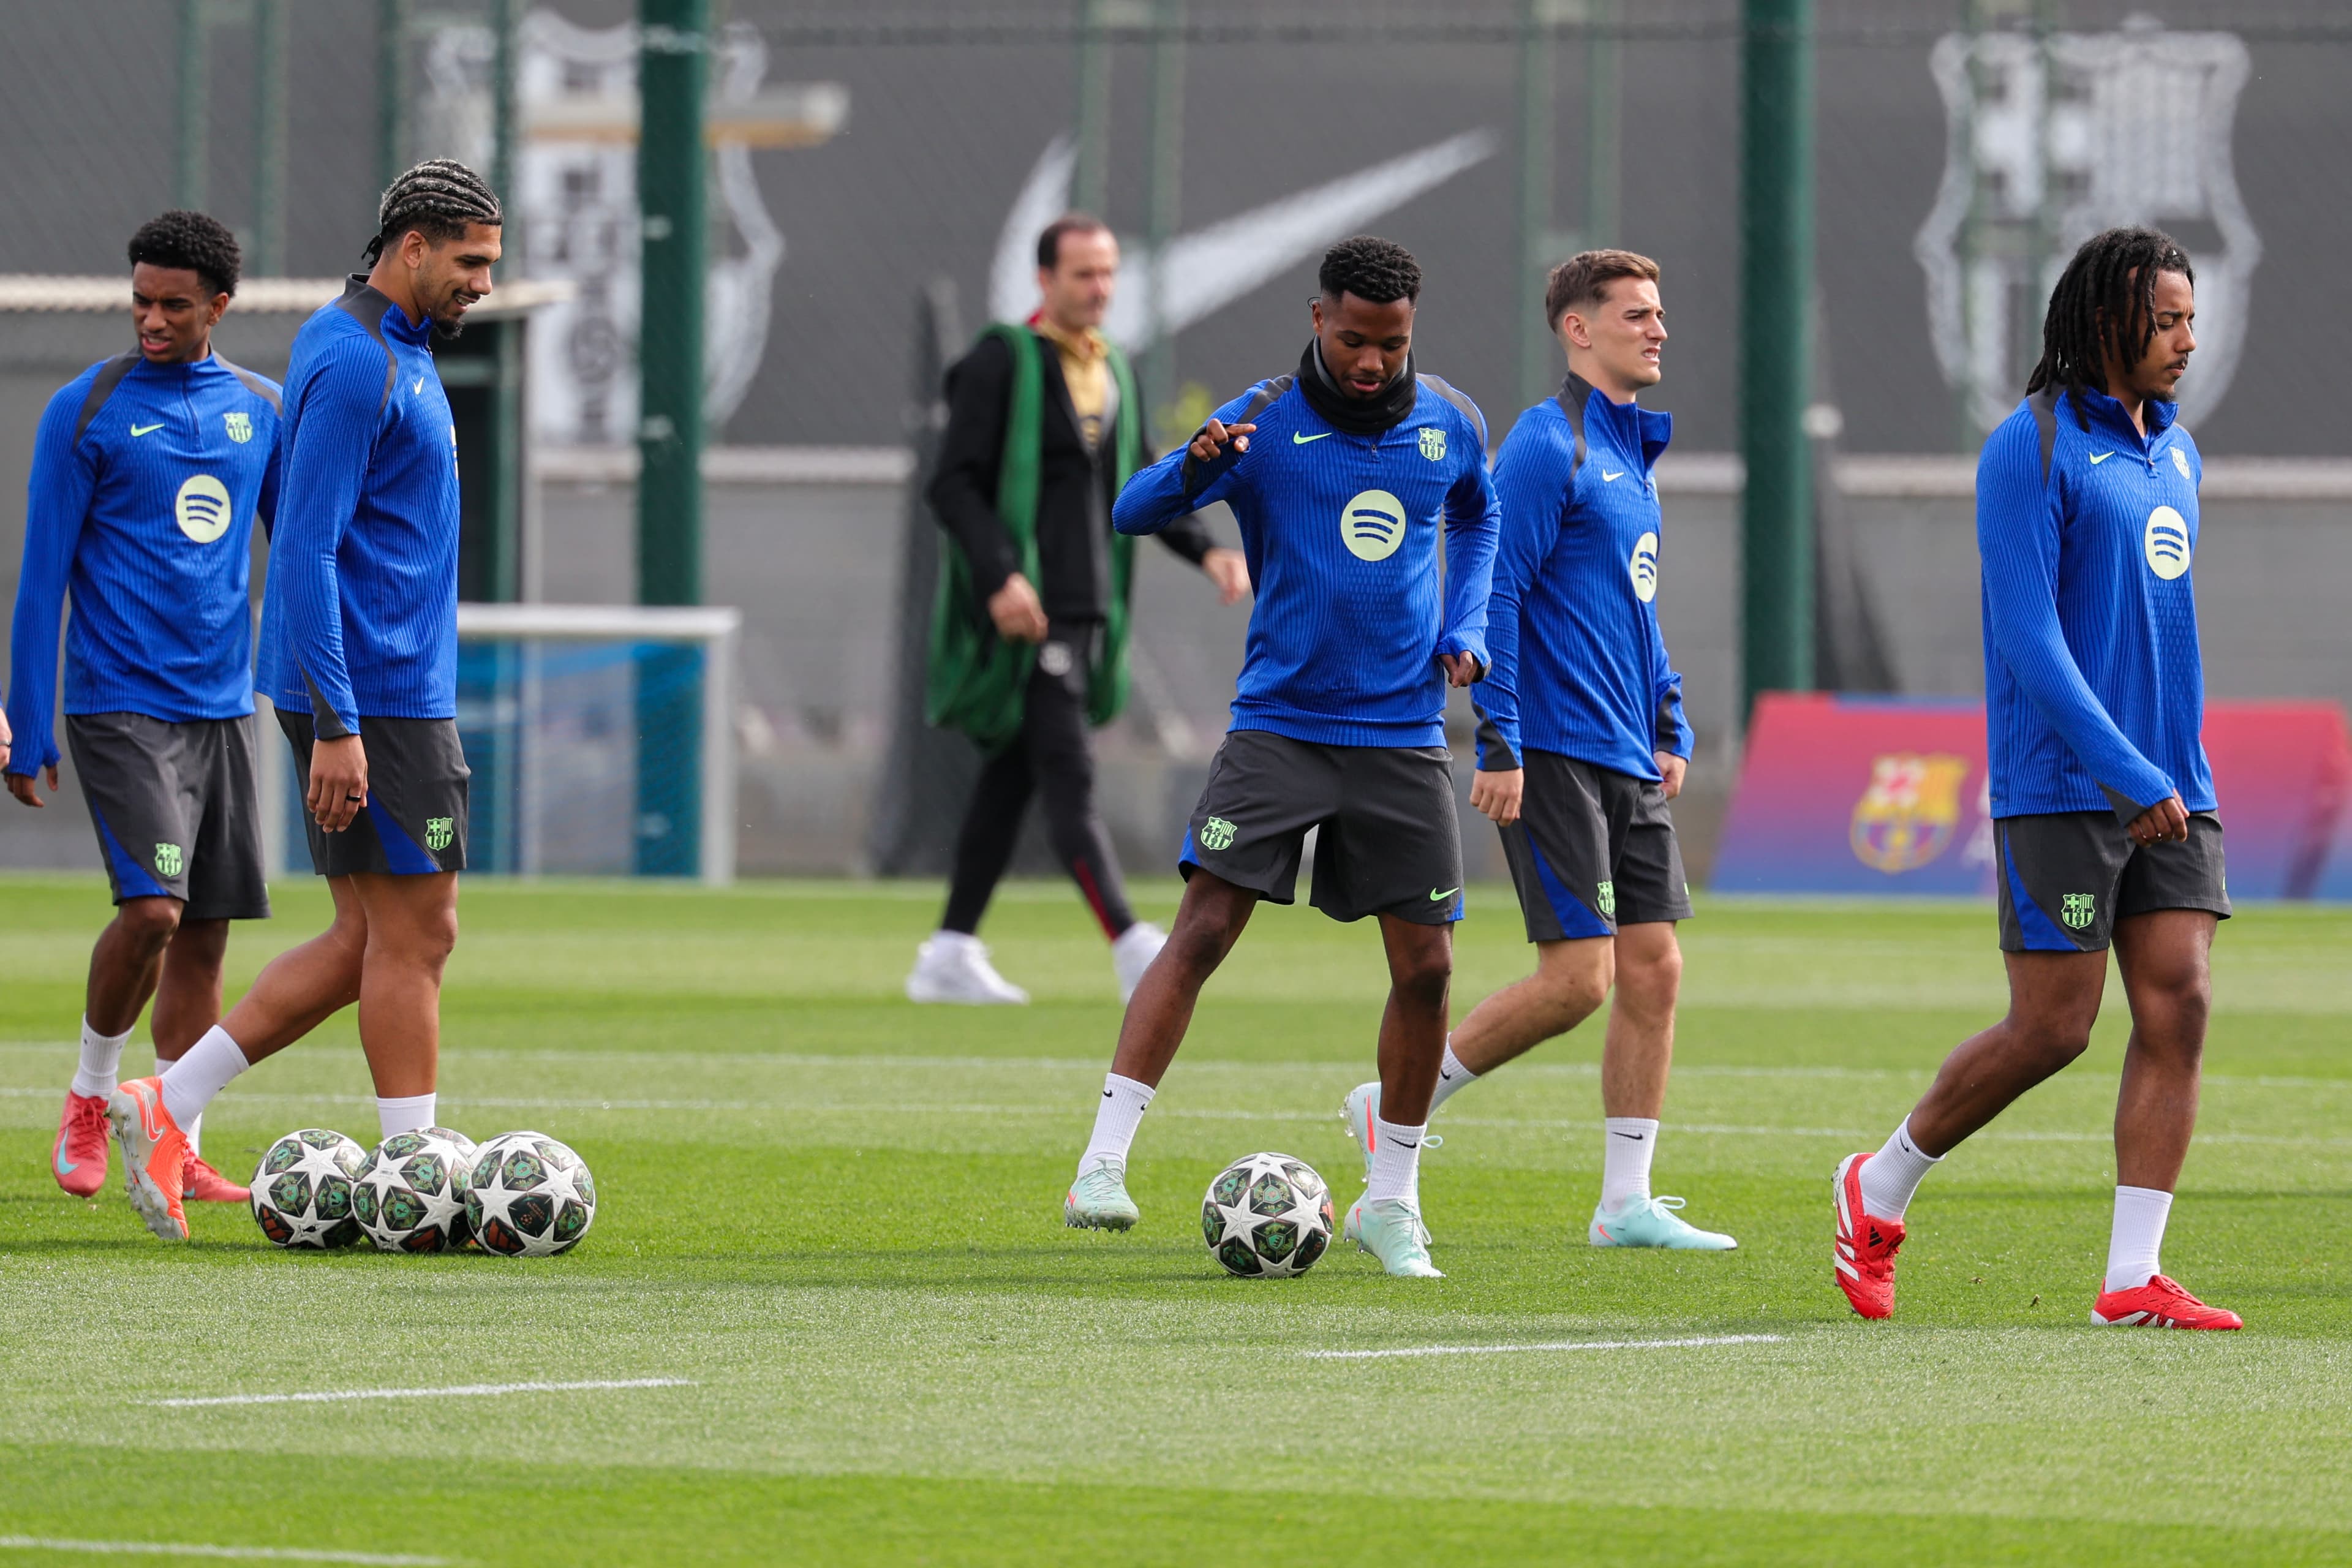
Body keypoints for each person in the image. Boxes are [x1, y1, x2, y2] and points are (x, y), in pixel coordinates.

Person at [1061, 236, 1498, 1278]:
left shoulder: (1451, 420)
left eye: (1390, 344)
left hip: (1400, 738)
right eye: (1353, 339)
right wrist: (1195, 465)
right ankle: (1102, 1164)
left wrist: (1468, 622)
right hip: (1281, 727)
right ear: (1317, 319)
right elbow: (1133, 511)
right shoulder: (1262, 422)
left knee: (1429, 967)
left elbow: (1481, 518)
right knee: (1205, 927)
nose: (1371, 362)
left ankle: (1390, 1200)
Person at [1833, 227, 2239, 1329]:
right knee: (2056, 1025)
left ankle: (2130, 1277)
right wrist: (2119, 768)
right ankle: (1879, 1187)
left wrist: (2168, 770)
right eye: (2167, 321)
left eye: (2192, 320)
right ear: (2107, 319)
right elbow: (2026, 635)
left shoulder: (2178, 452)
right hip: (2067, 783)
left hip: (2176, 782)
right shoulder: (2032, 444)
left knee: (2181, 1001)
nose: (2186, 342)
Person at [106, 160, 503, 1242]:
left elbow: (316, 521)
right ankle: (415, 1176)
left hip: (383, 689)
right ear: (411, 247)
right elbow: (308, 546)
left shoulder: (402, 354)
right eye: (469, 262)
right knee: (423, 933)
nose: (481, 283)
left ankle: (166, 1099)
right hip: (373, 696)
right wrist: (336, 721)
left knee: (362, 940)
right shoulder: (354, 356)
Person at [1343, 249, 1735, 1251]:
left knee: (1657, 971)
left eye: (1660, 313)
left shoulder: (1630, 456)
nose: (1657, 330)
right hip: (1552, 750)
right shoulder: (1541, 444)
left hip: (1626, 753)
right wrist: (1499, 739)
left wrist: (1669, 718)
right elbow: (1496, 594)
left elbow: (1636, 608)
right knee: (1579, 981)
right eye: (1636, 314)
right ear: (1578, 328)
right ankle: (1394, 1101)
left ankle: (1625, 1204)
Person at [6, 211, 281, 1208]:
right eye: (140, 301)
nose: (151, 320)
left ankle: (175, 1141)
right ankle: (88, 1093)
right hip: (119, 703)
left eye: (173, 304)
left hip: (222, 712)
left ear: (220, 305)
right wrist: (26, 723)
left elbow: (296, 560)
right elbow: (41, 581)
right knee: (154, 910)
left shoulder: (262, 411)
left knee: (204, 932)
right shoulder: (87, 408)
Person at [913, 214, 1250, 1006]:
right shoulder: (1000, 362)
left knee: (1012, 779)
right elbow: (951, 484)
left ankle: (950, 951)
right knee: (1068, 770)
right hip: (1026, 610)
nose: (1099, 289)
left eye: (1107, 274)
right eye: (1082, 274)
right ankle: (1134, 941)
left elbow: (1139, 486)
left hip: (1086, 604)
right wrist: (1001, 575)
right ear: (1044, 280)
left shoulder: (1115, 372)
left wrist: (1205, 548)